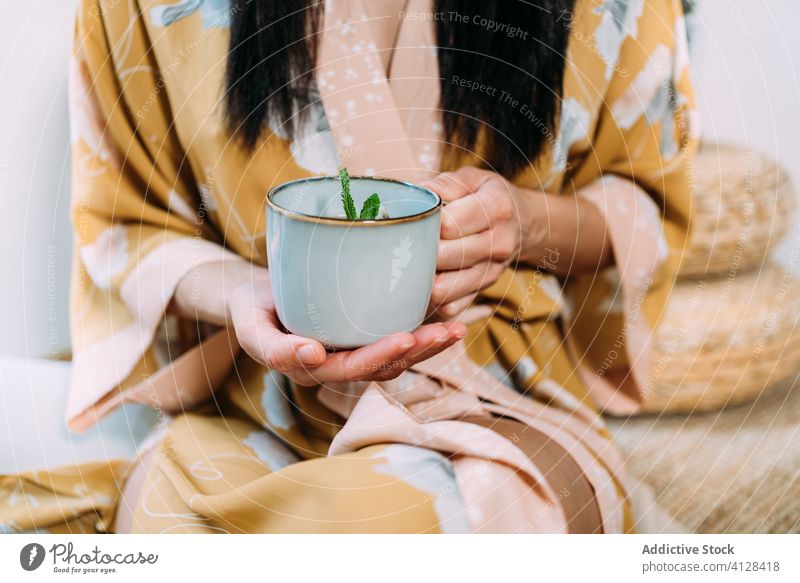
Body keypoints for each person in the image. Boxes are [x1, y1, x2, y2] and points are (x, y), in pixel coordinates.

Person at [0, 0, 695, 533]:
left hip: (495, 396)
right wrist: (250, 294)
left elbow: (646, 201)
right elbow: (126, 222)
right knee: (177, 525)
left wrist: (522, 222)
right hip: (254, 396)